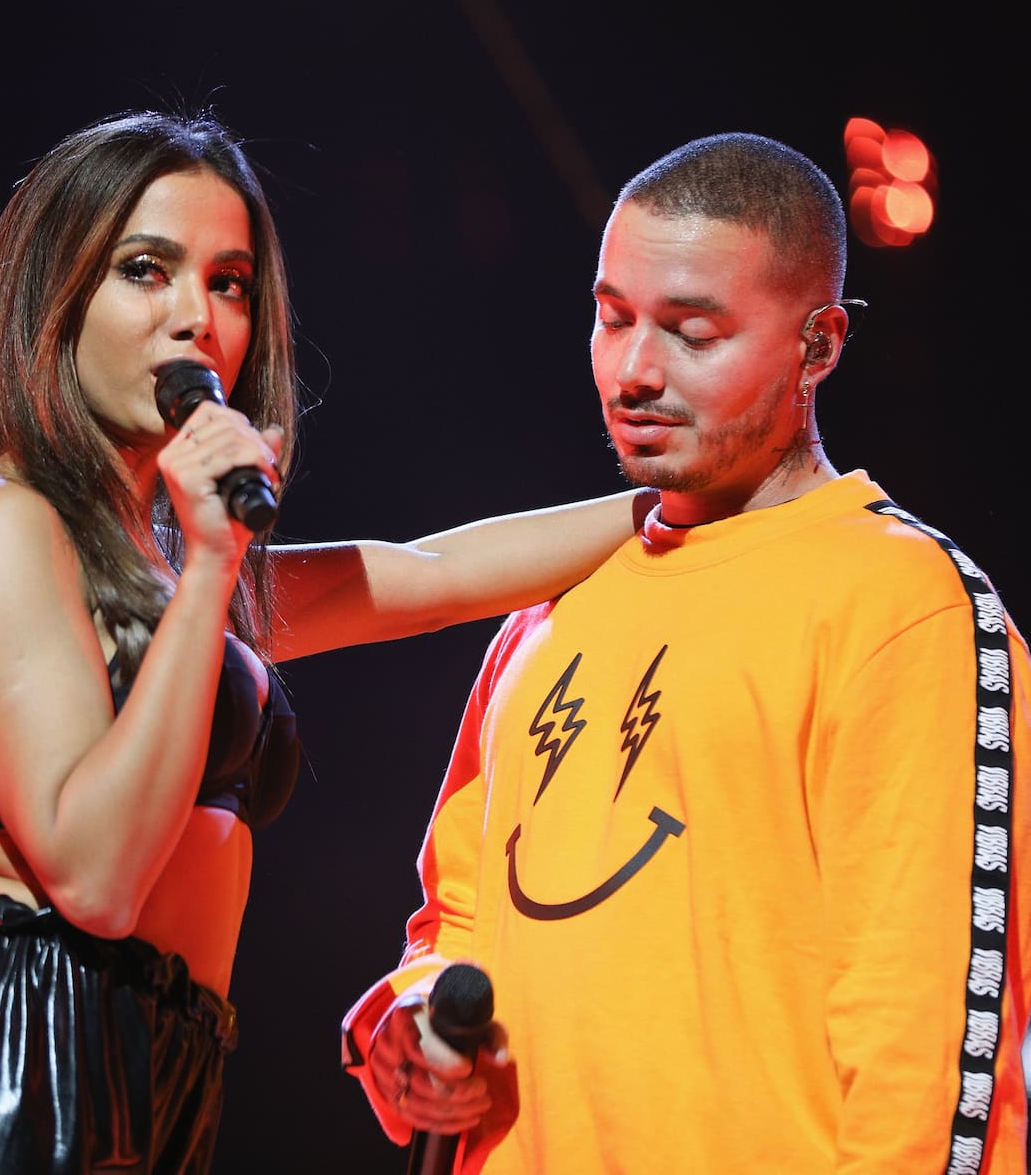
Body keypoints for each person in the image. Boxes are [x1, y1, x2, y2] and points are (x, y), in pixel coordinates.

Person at [0, 108, 653, 1174]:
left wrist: (691, 501)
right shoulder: (2, 526)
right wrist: (214, 566)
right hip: (20, 1054)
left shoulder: (173, 568)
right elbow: (95, 878)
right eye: (145, 270)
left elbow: (435, 574)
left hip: (162, 1065)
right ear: (57, 295)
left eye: (228, 283)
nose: (197, 319)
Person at [341, 132, 1031, 1173]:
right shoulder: (553, 605)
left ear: (819, 345)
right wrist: (416, 1016)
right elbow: (460, 921)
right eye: (613, 318)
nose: (634, 372)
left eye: (692, 333)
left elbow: (926, 1059)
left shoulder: (905, 605)